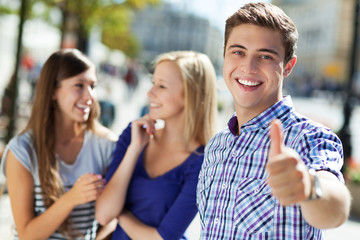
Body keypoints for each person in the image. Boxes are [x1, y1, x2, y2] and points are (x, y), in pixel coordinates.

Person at [197, 2, 351, 239]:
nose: (248, 67)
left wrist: (309, 188)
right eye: (238, 52)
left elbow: (335, 209)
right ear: (224, 55)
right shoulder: (217, 146)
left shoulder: (309, 137)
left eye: (265, 56)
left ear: (288, 66)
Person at [95, 51, 217, 239]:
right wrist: (134, 149)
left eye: (161, 86)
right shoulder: (134, 134)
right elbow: (104, 214)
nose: (149, 93)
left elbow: (163, 238)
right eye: (153, 83)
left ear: (190, 94)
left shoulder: (203, 163)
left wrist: (121, 214)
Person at [0, 49, 117, 239]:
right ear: (53, 91)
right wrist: (71, 199)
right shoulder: (22, 151)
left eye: (93, 86)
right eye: (79, 85)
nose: (90, 97)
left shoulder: (106, 145)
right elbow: (27, 235)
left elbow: (113, 215)